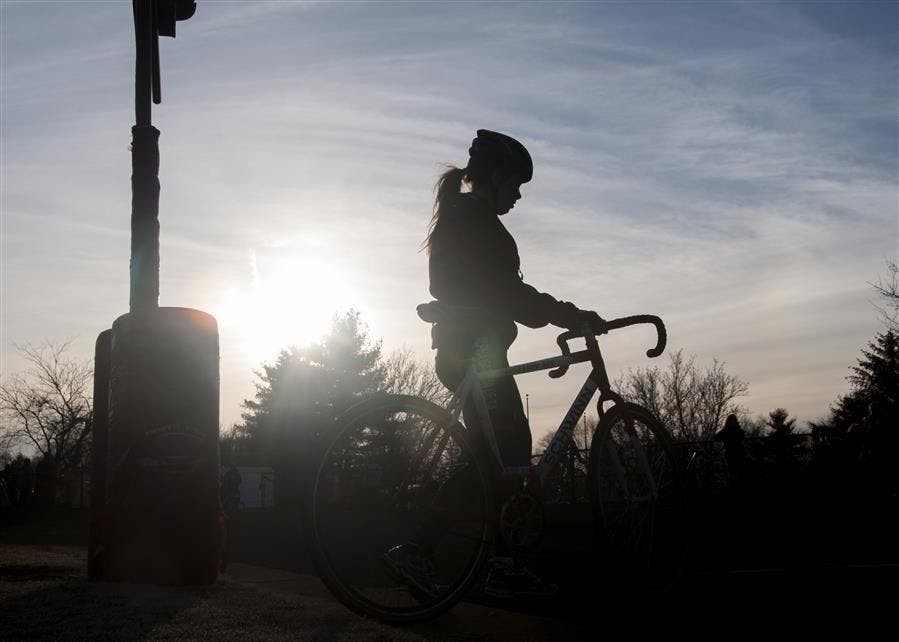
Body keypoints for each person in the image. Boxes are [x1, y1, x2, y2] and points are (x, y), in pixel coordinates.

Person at [381, 129, 605, 599]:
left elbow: (499, 291)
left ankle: (496, 560)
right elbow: (507, 293)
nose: (520, 196)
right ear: (498, 177)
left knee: (503, 454)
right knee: (502, 455)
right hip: (474, 348)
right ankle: (428, 551)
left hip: (473, 346)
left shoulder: (469, 218)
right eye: (517, 185)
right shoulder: (476, 221)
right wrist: (569, 314)